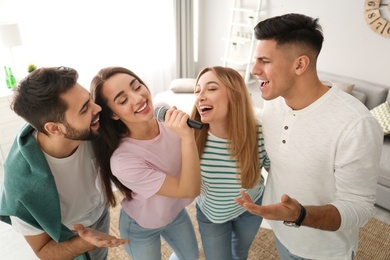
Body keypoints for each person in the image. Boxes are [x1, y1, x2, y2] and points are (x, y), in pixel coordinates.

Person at [234, 13, 383, 259]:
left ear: (300, 64)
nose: (254, 69)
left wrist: (300, 215)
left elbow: (360, 207)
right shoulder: (274, 102)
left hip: (326, 250)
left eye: (265, 60)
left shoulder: (356, 125)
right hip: (282, 234)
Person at [0, 66, 129, 260]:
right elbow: (44, 251)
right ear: (54, 128)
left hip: (100, 212)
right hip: (67, 232)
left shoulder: (94, 125)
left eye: (89, 100)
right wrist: (85, 242)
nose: (98, 108)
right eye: (85, 108)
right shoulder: (22, 189)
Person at [90, 66, 200, 260]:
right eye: (123, 100)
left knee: (191, 257)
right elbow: (190, 190)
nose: (138, 98)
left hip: (174, 211)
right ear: (113, 114)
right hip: (142, 225)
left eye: (137, 86)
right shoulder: (123, 161)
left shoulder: (162, 111)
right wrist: (187, 138)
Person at [189, 66, 270, 260]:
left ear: (235, 95)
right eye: (197, 90)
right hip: (212, 215)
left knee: (240, 254)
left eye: (211, 88)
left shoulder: (260, 133)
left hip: (251, 208)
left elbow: (280, 171)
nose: (200, 96)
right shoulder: (190, 137)